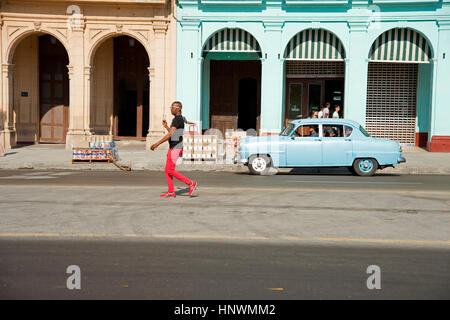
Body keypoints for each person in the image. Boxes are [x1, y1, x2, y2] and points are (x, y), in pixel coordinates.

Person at [151, 101, 197, 198]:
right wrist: (167, 126)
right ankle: (171, 191)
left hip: (176, 148)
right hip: (174, 146)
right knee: (167, 170)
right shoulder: (177, 119)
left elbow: (170, 134)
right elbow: (173, 133)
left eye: (172, 107)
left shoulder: (177, 120)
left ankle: (191, 183)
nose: (171, 109)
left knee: (170, 170)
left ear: (178, 109)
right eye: (170, 107)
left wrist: (157, 143)